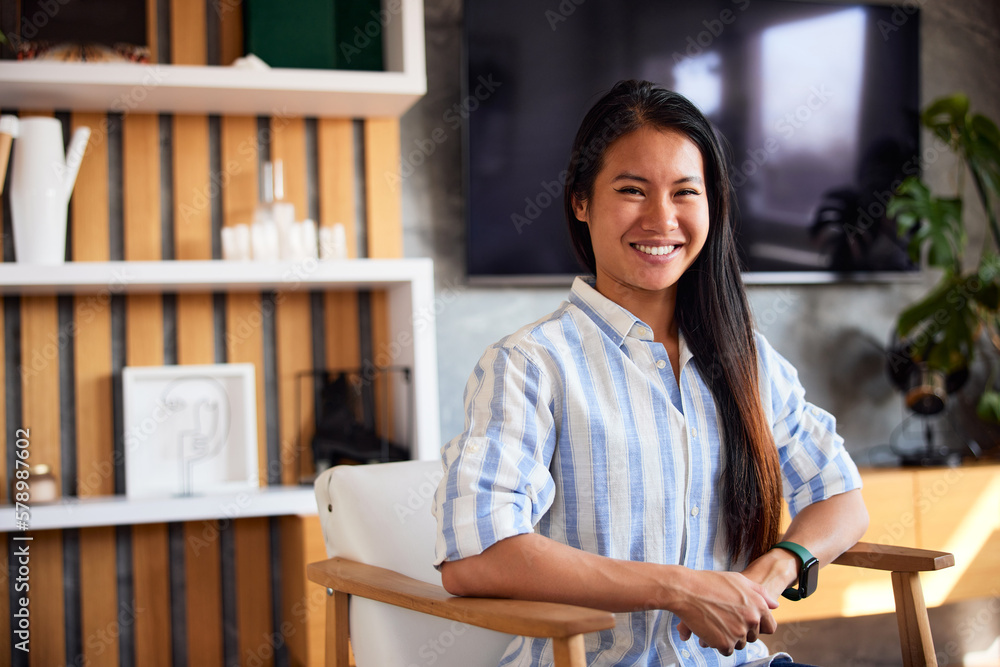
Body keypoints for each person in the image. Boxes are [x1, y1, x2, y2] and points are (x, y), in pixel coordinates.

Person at [432, 80, 869, 667]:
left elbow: (842, 498)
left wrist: (781, 564)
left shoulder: (749, 359)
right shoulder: (529, 365)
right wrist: (679, 588)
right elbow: (475, 556)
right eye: (632, 190)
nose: (662, 219)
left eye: (685, 192)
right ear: (580, 203)